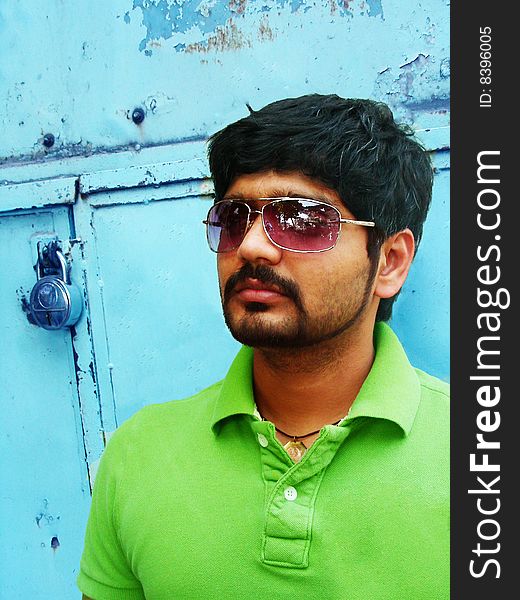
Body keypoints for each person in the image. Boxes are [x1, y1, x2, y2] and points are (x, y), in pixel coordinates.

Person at [78, 94, 449, 600]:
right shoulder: (137, 456)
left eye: (300, 219)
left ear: (389, 261)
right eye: (234, 218)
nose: (251, 246)